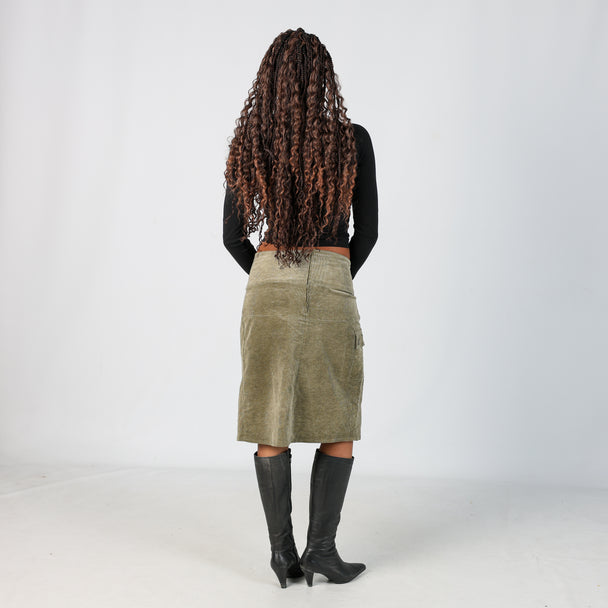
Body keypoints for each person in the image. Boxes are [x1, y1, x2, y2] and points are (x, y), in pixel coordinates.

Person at [222, 27, 378, 588]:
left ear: (268, 82)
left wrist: (272, 278)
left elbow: (232, 237)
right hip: (332, 276)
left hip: (266, 281)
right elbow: (368, 232)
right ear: (324, 81)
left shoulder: (251, 143)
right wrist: (331, 278)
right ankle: (322, 552)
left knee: (271, 414)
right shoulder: (351, 140)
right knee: (339, 411)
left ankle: (282, 555)